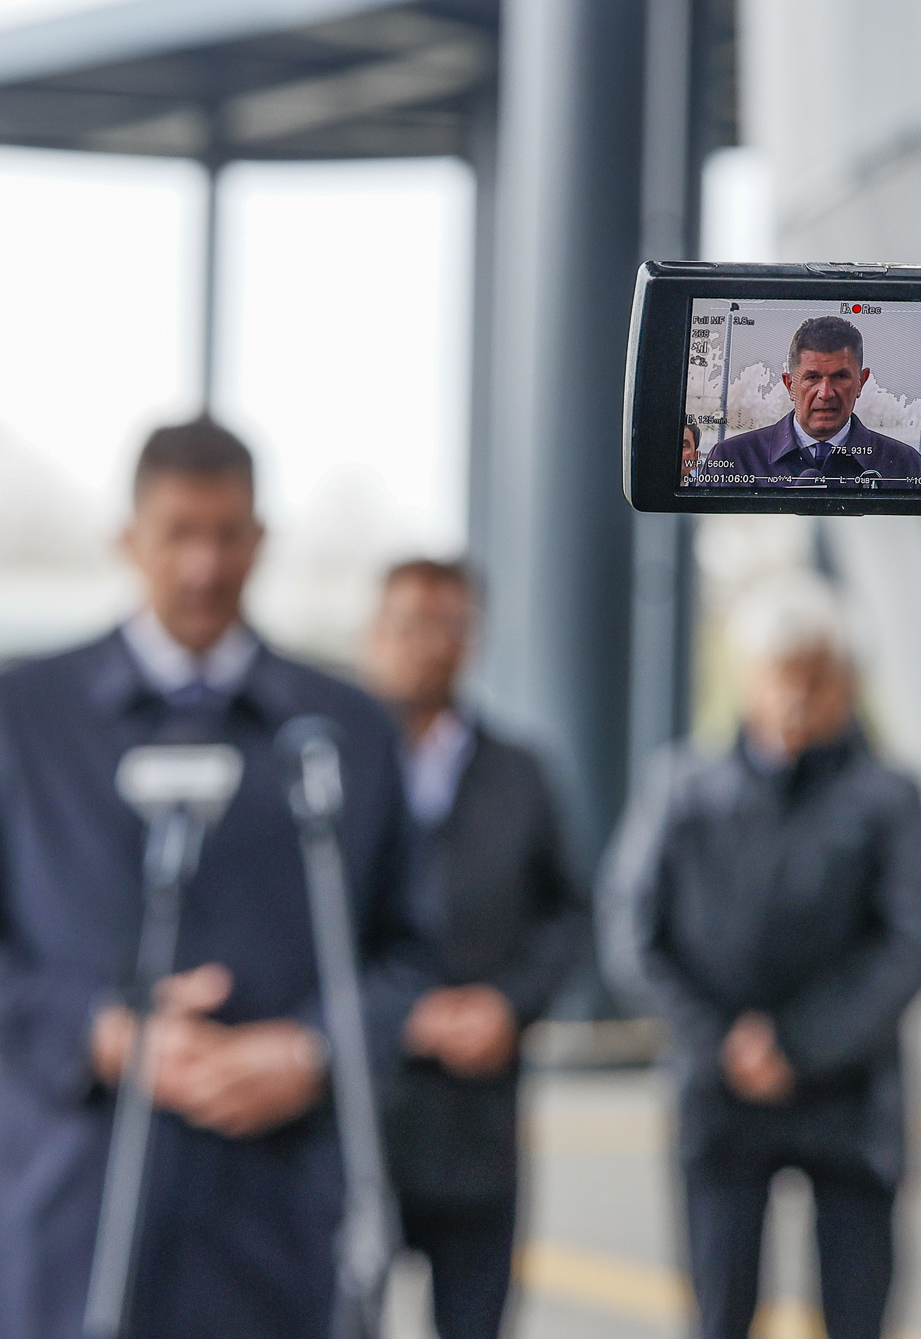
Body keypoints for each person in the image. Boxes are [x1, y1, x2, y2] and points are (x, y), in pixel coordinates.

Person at [0, 414, 432, 1339]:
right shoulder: (20, 717)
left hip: (278, 1211)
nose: (203, 567)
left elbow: (414, 949)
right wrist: (98, 1033)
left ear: (261, 540)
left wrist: (309, 1049)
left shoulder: (348, 730)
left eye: (227, 535)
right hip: (66, 1206)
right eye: (178, 534)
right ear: (128, 541)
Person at [601, 577, 921, 1339]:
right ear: (747, 678)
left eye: (814, 675)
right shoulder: (682, 788)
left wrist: (798, 1043)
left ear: (846, 682)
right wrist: (721, 1040)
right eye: (780, 673)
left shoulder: (888, 798)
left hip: (851, 1097)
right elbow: (631, 929)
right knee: (718, 1313)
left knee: (859, 1314)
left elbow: (908, 944)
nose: (795, 695)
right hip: (720, 1097)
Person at [362, 559, 584, 1339]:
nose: (430, 645)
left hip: (478, 1123)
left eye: (451, 626)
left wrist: (508, 1004)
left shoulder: (521, 774)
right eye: (410, 624)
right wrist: (397, 1016)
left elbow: (567, 918)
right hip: (356, 1117)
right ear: (372, 637)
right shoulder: (330, 777)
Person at [703, 317, 921, 483]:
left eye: (840, 377)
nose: (826, 392)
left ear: (861, 381)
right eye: (812, 378)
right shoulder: (732, 460)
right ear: (790, 384)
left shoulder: (903, 465)